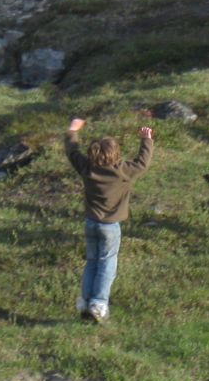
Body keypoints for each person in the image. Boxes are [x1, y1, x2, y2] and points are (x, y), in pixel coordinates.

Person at [64, 117, 153, 322]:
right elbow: (142, 162)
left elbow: (72, 151)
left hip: (90, 223)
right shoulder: (123, 172)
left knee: (92, 262)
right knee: (107, 264)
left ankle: (85, 301)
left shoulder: (86, 168)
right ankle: (98, 304)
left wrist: (72, 130)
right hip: (110, 226)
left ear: (91, 154)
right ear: (116, 154)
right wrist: (146, 139)